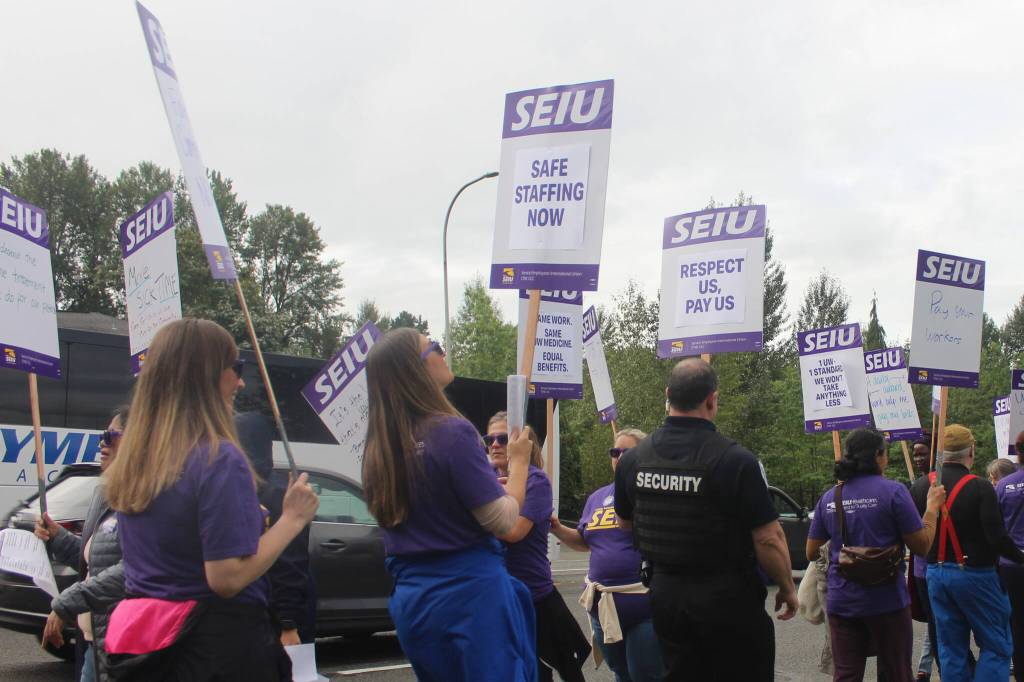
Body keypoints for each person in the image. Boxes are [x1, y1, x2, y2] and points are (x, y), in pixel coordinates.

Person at [103, 319, 319, 681]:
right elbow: (227, 578)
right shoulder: (218, 458)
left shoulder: (136, 461)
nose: (241, 382)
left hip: (145, 644)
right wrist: (292, 519)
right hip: (216, 646)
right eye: (236, 368)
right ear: (206, 375)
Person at [362, 330, 537, 681]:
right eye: (435, 347)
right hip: (470, 599)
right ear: (416, 369)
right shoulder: (452, 432)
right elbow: (503, 520)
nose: (442, 352)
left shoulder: (378, 450)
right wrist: (519, 463)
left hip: (413, 604)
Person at [613, 357, 797, 681]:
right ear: (712, 399)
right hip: (727, 598)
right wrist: (786, 587)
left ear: (667, 394)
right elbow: (769, 538)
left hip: (666, 596)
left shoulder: (633, 460)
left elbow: (625, 523)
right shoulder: (736, 460)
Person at [807, 428, 945, 682]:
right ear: (879, 456)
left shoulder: (831, 496)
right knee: (895, 671)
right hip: (887, 600)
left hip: (842, 599)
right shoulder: (894, 492)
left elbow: (811, 551)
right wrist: (932, 508)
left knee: (846, 674)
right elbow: (922, 546)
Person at [910, 424, 1024, 681]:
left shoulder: (919, 487)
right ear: (971, 451)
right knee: (995, 644)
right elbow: (997, 537)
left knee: (951, 647)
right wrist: (1019, 557)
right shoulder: (981, 487)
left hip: (935, 573)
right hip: (976, 575)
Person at [549, 427, 664, 682]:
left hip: (644, 606)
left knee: (645, 675)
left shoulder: (655, 495)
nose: (619, 457)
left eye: (627, 452)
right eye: (615, 452)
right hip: (602, 607)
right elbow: (585, 542)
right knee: (620, 673)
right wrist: (557, 528)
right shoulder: (597, 498)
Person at [486, 413, 591, 682]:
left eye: (503, 438)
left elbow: (514, 532)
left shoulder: (536, 481)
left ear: (523, 446)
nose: (495, 444)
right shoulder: (485, 480)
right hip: (495, 597)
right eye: (490, 439)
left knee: (558, 672)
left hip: (534, 597)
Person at [35, 407, 130, 682]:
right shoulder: (105, 493)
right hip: (94, 644)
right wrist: (58, 537)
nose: (102, 443)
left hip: (124, 647)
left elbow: (132, 569)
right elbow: (95, 562)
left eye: (110, 436)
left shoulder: (146, 498)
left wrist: (66, 604)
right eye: (102, 436)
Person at [235, 411, 316, 645]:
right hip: (256, 605)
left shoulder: (280, 493)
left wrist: (288, 622)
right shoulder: (240, 488)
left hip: (276, 611)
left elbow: (290, 560)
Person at [996, 435, 1024, 678]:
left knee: (1017, 621)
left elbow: (994, 527)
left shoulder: (1003, 485)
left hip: (1011, 564)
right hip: (1012, 562)